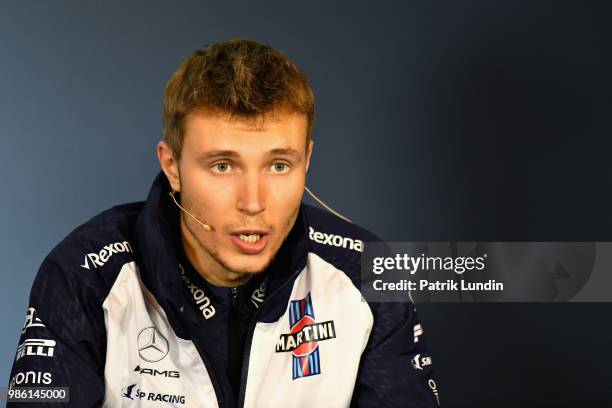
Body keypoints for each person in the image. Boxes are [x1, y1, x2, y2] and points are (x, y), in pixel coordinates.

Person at [8, 39, 440, 407]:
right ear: (172, 166)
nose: (253, 204)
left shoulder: (368, 274)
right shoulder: (81, 276)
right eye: (222, 166)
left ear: (307, 161)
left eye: (278, 165)